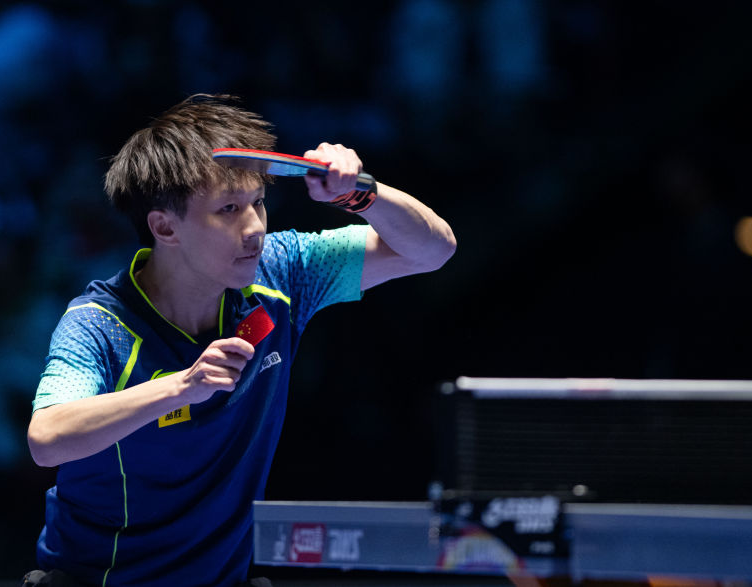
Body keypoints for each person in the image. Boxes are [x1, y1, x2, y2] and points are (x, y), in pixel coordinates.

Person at [23, 94, 456, 586]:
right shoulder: (98, 325)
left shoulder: (283, 272)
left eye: (257, 203)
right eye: (228, 209)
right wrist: (182, 387)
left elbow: (432, 250)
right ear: (165, 226)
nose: (254, 228)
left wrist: (360, 195)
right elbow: (47, 438)